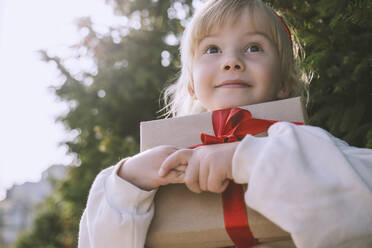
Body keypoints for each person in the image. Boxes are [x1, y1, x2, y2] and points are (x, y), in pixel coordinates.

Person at [78, 0, 372, 247]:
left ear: (285, 82)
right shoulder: (147, 171)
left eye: (254, 47)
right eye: (212, 49)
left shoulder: (317, 150)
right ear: (191, 84)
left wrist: (242, 159)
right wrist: (130, 181)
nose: (231, 61)